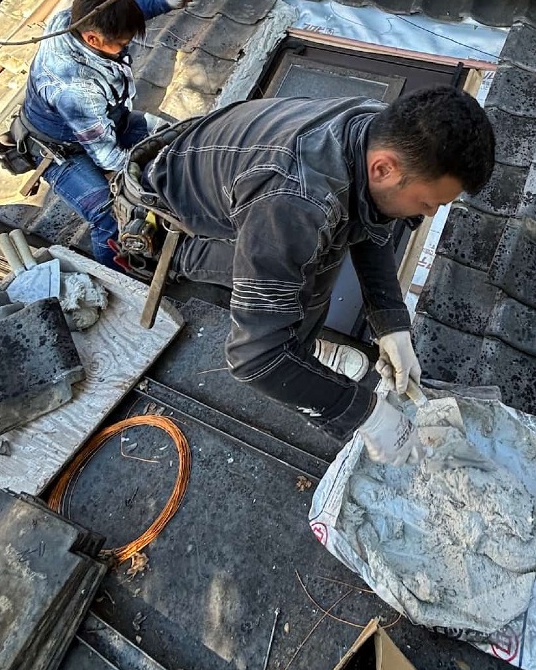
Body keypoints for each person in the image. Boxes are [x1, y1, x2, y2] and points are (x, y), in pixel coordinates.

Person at [133, 86, 495, 463]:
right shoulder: (295, 202)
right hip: (168, 223)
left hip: (222, 173)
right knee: (307, 270)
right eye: (427, 202)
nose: (430, 214)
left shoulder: (378, 127)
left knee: (325, 235)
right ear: (384, 168)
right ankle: (300, 356)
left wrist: (390, 322)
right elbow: (253, 358)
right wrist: (363, 414)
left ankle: (304, 352)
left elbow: (374, 216)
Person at [13, 0, 198, 267]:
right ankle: (116, 278)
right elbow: (109, 157)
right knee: (109, 216)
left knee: (172, 138)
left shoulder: (76, 18)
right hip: (61, 150)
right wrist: (150, 179)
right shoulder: (76, 88)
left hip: (105, 122)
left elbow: (119, 13)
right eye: (122, 44)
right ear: (92, 40)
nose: (126, 48)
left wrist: (165, 1)